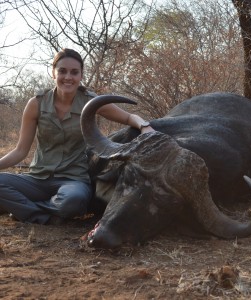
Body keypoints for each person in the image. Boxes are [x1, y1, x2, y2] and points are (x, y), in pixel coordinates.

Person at [0, 48, 154, 225]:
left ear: (81, 75)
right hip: (37, 178)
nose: (68, 77)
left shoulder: (90, 102)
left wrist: (144, 126)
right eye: (62, 71)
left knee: (74, 201)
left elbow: (127, 117)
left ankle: (26, 209)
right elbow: (20, 151)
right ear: (53, 73)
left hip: (72, 181)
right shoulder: (36, 103)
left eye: (74, 72)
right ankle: (44, 215)